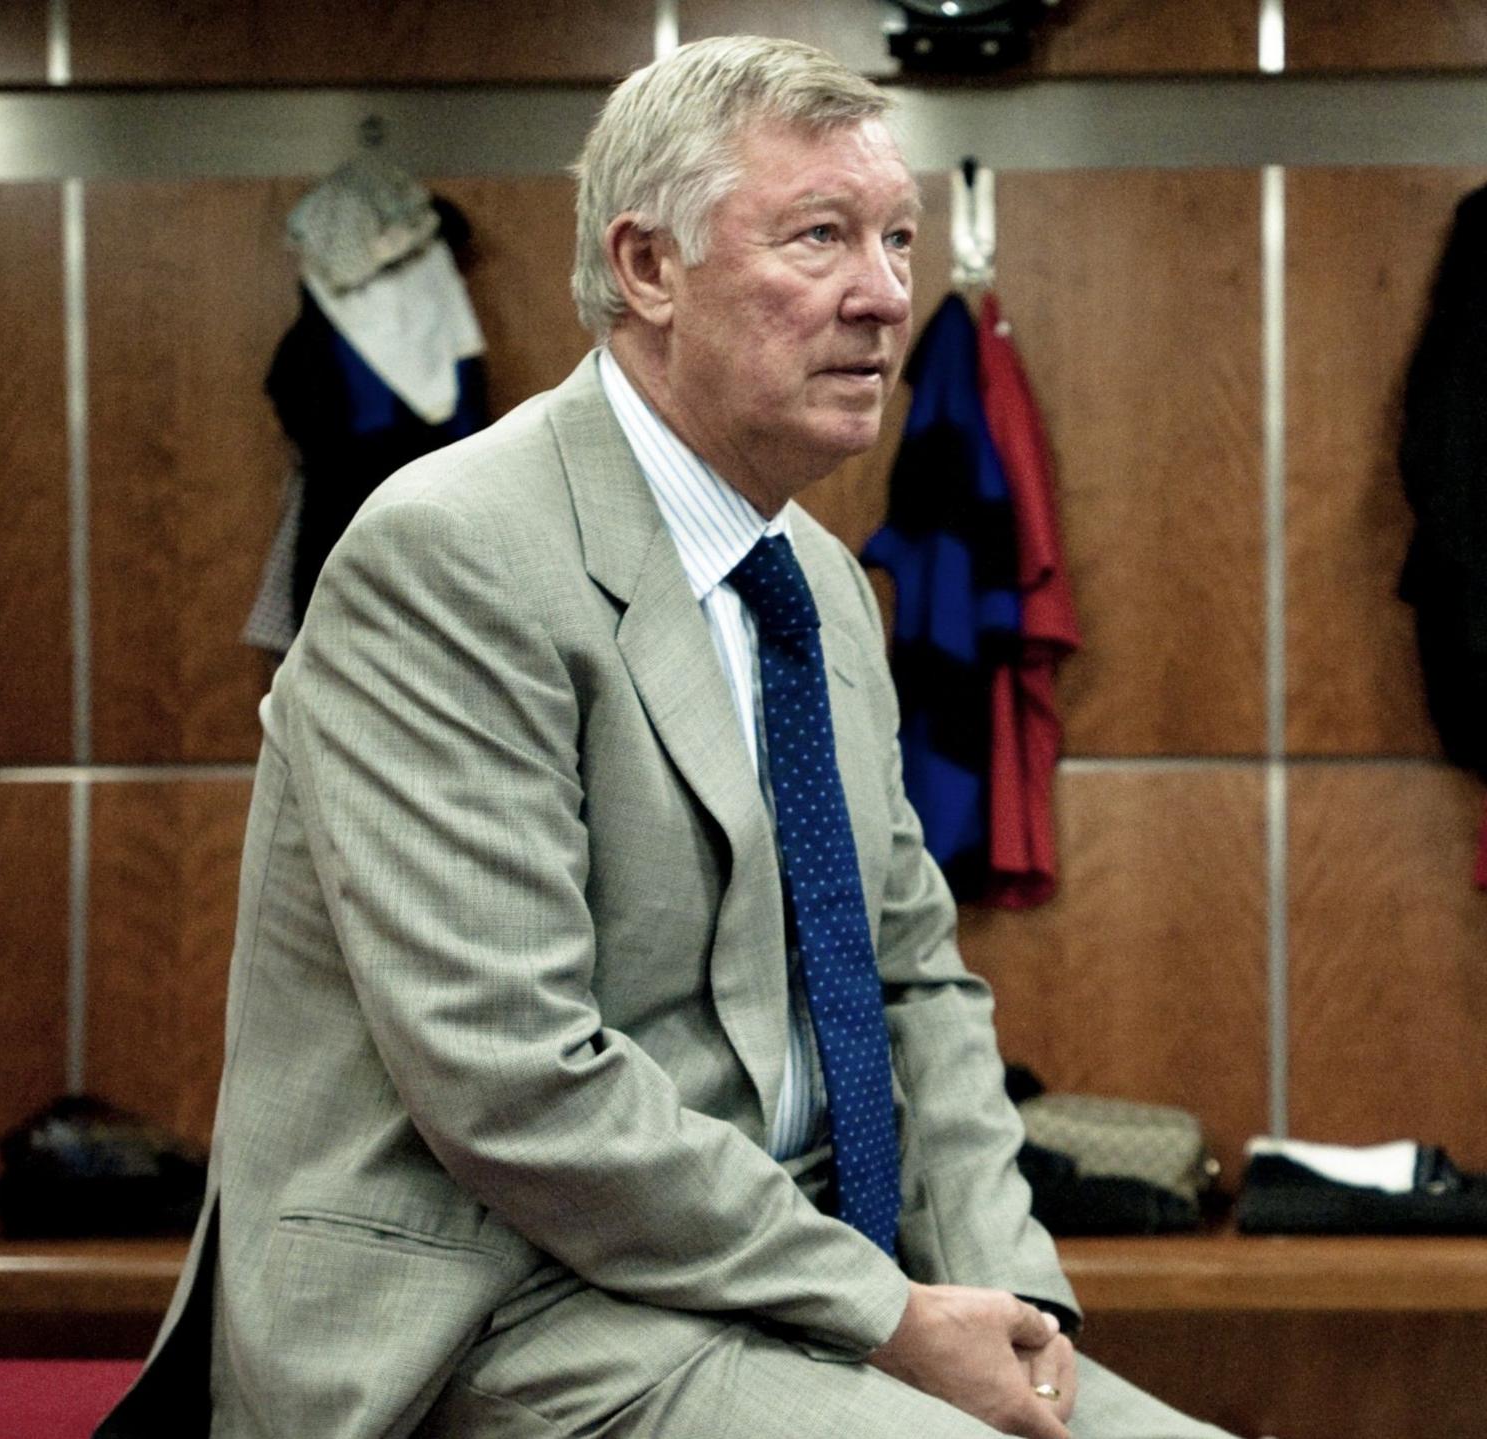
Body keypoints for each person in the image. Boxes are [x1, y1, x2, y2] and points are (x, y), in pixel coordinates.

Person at [98, 36, 1235, 1439]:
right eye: (820, 237)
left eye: (895, 238)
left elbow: (914, 981)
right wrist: (885, 1316)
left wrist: (1007, 1293)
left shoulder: (815, 576)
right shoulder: (449, 555)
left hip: (786, 1283)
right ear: (646, 269)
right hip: (504, 1307)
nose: (885, 294)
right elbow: (515, 1081)